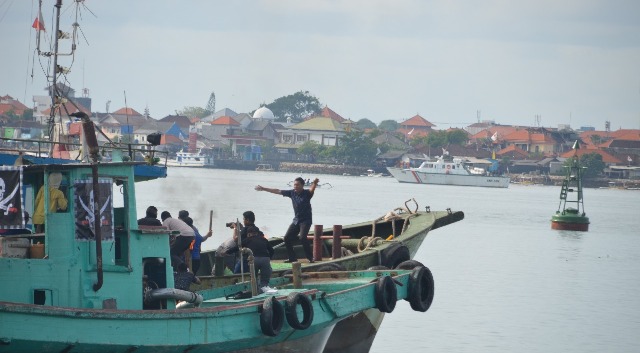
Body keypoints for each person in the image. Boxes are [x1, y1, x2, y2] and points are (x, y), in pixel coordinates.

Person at [255, 176, 318, 263]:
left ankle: (310, 258)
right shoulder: (292, 193)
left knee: (302, 237)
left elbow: (312, 190)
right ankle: (292, 258)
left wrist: (314, 183)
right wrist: (263, 188)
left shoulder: (307, 193)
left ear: (302, 185)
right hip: (296, 220)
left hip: (306, 221)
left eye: (297, 185)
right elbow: (277, 191)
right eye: (294, 185)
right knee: (287, 238)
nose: (295, 186)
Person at [227, 211, 274, 291]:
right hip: (263, 258)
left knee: (236, 273)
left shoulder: (246, 232)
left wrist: (235, 228)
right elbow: (271, 250)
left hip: (248, 258)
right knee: (263, 279)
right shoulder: (258, 231)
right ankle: (261, 288)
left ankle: (240, 289)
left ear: (247, 220)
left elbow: (236, 241)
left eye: (244, 219)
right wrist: (268, 258)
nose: (243, 221)